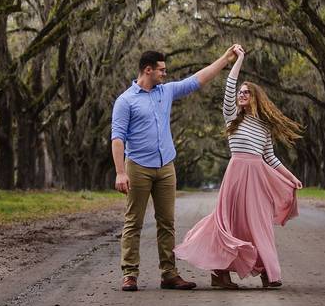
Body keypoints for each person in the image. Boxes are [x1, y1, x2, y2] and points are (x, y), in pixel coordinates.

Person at [111, 46, 239, 292]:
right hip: (137, 167)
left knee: (167, 222)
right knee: (133, 222)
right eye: (161, 70)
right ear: (147, 70)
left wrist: (225, 58)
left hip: (166, 167)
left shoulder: (165, 92)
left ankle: (169, 274)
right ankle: (130, 274)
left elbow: (196, 80)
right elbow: (117, 138)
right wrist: (120, 172)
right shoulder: (125, 100)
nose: (165, 74)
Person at [174, 45, 303, 289]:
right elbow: (229, 85)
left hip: (257, 179)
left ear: (256, 97)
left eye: (246, 93)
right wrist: (239, 59)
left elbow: (271, 158)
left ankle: (267, 272)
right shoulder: (232, 118)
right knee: (230, 223)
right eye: (240, 92)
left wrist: (291, 177)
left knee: (259, 224)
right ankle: (220, 274)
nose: (241, 95)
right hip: (235, 176)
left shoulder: (264, 127)